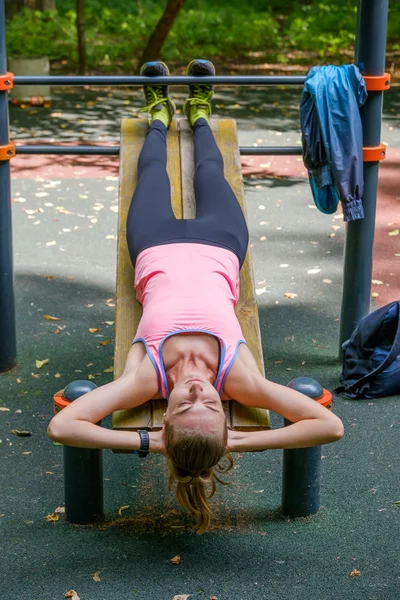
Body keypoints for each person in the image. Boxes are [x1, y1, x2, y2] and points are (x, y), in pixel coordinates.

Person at [48, 59, 344, 534]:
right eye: (209, 407)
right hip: (221, 243)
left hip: (154, 242)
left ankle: (160, 113)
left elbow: (63, 428)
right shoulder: (239, 380)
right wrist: (237, 443)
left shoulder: (146, 379)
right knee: (211, 168)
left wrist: (147, 443)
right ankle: (202, 109)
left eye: (183, 408)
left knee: (151, 171)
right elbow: (330, 426)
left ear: (165, 422)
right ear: (222, 417)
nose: (194, 395)